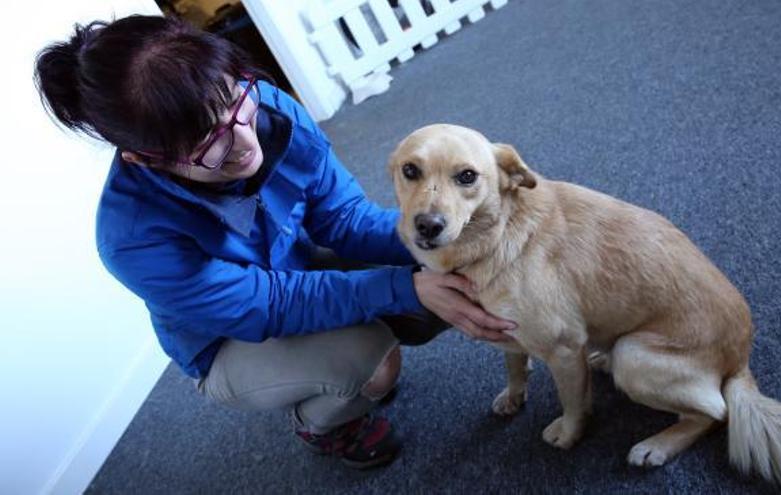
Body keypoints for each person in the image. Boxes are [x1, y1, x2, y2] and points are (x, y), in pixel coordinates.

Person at [34, 14, 517, 469]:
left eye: (235, 103)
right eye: (208, 143)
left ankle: (354, 365)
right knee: (369, 357)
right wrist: (403, 287)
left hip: (293, 270)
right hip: (227, 340)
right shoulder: (132, 237)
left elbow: (344, 218)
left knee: (442, 273)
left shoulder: (266, 108)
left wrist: (461, 240)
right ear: (145, 158)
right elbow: (265, 305)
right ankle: (322, 425)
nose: (245, 141)